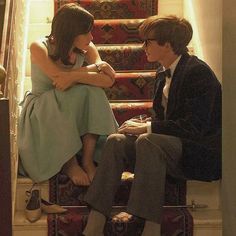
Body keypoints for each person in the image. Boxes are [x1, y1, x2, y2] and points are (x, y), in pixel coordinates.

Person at [82, 15, 222, 236]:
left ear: (167, 44)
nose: (142, 46)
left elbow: (194, 128)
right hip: (165, 147)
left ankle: (150, 227)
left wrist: (148, 128)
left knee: (148, 139)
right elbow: (164, 118)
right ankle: (95, 221)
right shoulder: (161, 71)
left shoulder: (198, 72)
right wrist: (145, 122)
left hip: (196, 153)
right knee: (116, 140)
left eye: (148, 41)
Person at [18, 3, 118, 186]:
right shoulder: (39, 47)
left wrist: (74, 75)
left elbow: (108, 80)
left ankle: (87, 161)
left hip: (70, 103)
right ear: (70, 32)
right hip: (42, 108)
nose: (91, 36)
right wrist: (91, 71)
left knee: (94, 93)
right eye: (86, 32)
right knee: (63, 96)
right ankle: (70, 163)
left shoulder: (87, 47)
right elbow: (58, 80)